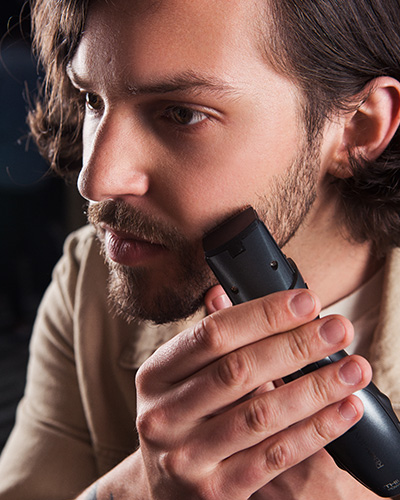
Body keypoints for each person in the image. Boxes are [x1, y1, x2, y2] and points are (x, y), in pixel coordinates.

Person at [0, 0, 400, 498]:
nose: (96, 180)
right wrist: (142, 486)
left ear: (359, 126)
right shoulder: (90, 279)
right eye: (92, 100)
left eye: (182, 114)